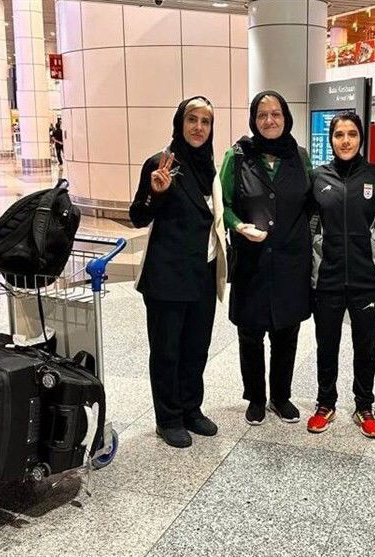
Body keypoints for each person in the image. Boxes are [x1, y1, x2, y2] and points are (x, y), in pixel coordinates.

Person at [129, 96, 228, 448]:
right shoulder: (161, 163)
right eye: (192, 120)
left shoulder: (210, 168)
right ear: (179, 123)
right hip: (168, 277)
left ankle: (190, 409)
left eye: (206, 121)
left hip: (203, 275)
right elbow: (137, 217)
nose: (199, 127)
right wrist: (155, 194)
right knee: (167, 350)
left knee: (197, 347)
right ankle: (168, 418)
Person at [220, 90, 313, 427]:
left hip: (291, 261)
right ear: (253, 120)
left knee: (287, 332)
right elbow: (222, 204)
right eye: (262, 115)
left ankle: (281, 397)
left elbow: (311, 204)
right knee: (251, 333)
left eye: (276, 114)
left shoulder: (299, 156)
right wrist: (237, 226)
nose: (269, 120)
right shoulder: (237, 156)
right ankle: (256, 398)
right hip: (251, 260)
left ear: (286, 117)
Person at [306, 112, 375, 438]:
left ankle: (364, 406)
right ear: (331, 140)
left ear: (361, 138)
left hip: (365, 279)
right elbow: (308, 222)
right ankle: (325, 403)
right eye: (339, 134)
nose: (345, 141)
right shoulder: (318, 177)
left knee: (366, 347)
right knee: (326, 345)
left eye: (352, 134)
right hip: (327, 278)